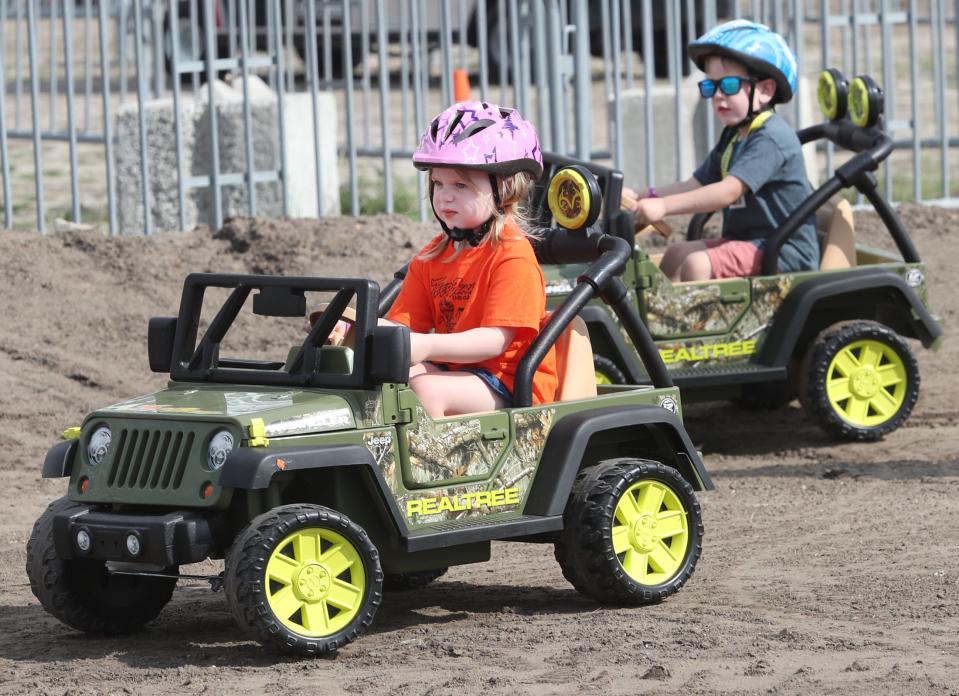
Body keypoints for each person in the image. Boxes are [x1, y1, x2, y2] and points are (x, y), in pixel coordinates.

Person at [384, 101, 558, 418]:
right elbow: (401, 327)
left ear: (505, 189)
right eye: (438, 183)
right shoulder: (432, 256)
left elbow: (495, 341)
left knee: (425, 390)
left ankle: (427, 468)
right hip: (459, 374)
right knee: (390, 380)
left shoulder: (512, 255)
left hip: (510, 385)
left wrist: (426, 346)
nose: (444, 196)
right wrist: (357, 329)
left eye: (461, 185)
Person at [628, 19, 820, 282]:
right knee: (676, 254)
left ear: (765, 90)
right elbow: (694, 184)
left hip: (785, 253)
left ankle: (689, 323)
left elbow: (726, 192)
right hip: (749, 243)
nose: (718, 95)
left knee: (696, 264)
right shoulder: (734, 136)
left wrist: (662, 206)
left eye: (728, 85)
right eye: (710, 86)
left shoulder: (772, 138)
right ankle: (655, 322)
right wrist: (642, 195)